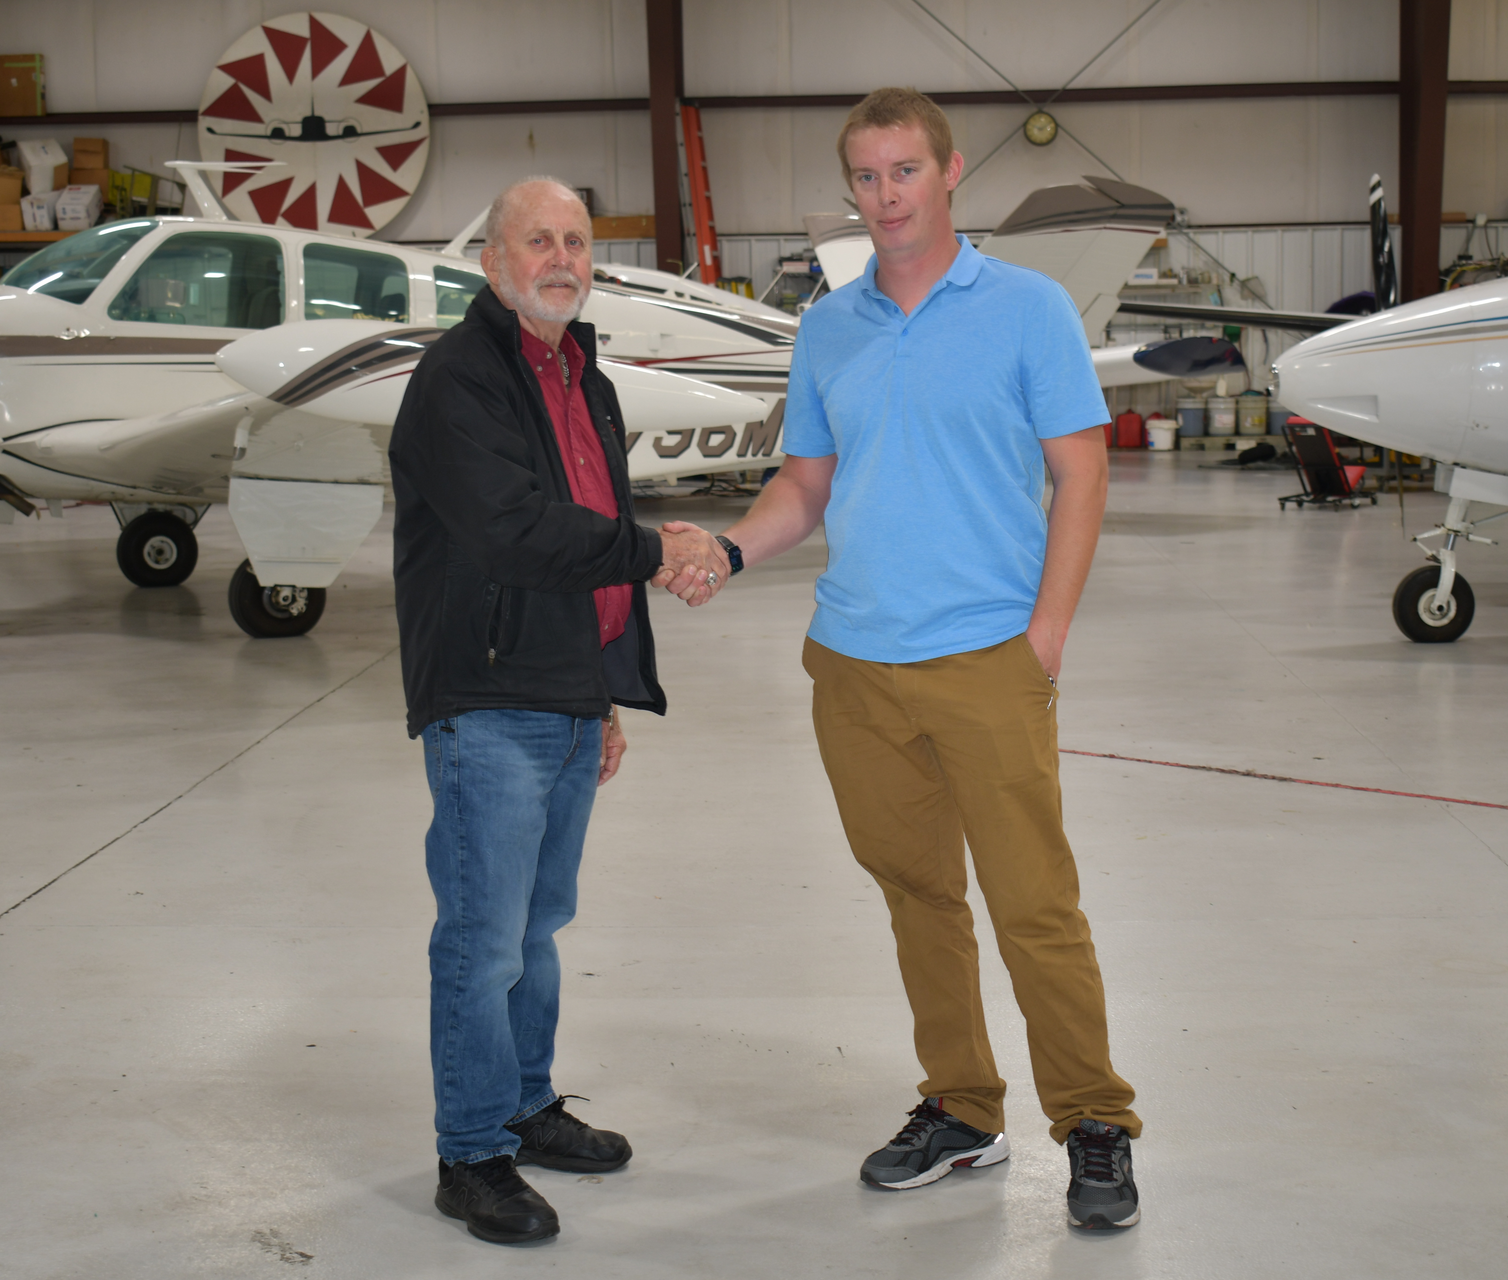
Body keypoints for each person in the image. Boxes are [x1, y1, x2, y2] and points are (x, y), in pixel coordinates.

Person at [688, 88, 1142, 1230]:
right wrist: (733, 551)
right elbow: (807, 485)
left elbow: (1082, 473)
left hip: (989, 655)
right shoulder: (829, 326)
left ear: (949, 178)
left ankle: (1093, 1122)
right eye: (866, 175)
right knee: (919, 894)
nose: (885, 195)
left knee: (1035, 901)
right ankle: (963, 1106)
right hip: (854, 660)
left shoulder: (1028, 309)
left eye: (905, 171)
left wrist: (1044, 637)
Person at [388, 175, 727, 1246]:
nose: (561, 256)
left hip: (565, 694)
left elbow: (592, 523)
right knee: (483, 938)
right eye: (538, 239)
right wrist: (658, 551)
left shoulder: (587, 376)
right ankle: (472, 1151)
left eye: (576, 239)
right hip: (487, 696)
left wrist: (608, 688)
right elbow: (514, 531)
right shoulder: (460, 379)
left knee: (536, 928)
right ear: (493, 262)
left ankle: (526, 1105)